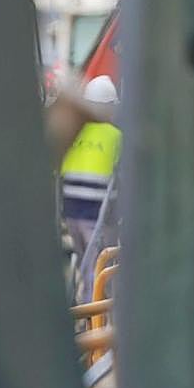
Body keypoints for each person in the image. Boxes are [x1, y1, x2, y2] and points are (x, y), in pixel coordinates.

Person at [59, 75, 121, 265]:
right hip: (97, 215)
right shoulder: (116, 136)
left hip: (70, 212)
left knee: (84, 266)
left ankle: (84, 293)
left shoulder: (73, 134)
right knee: (98, 270)